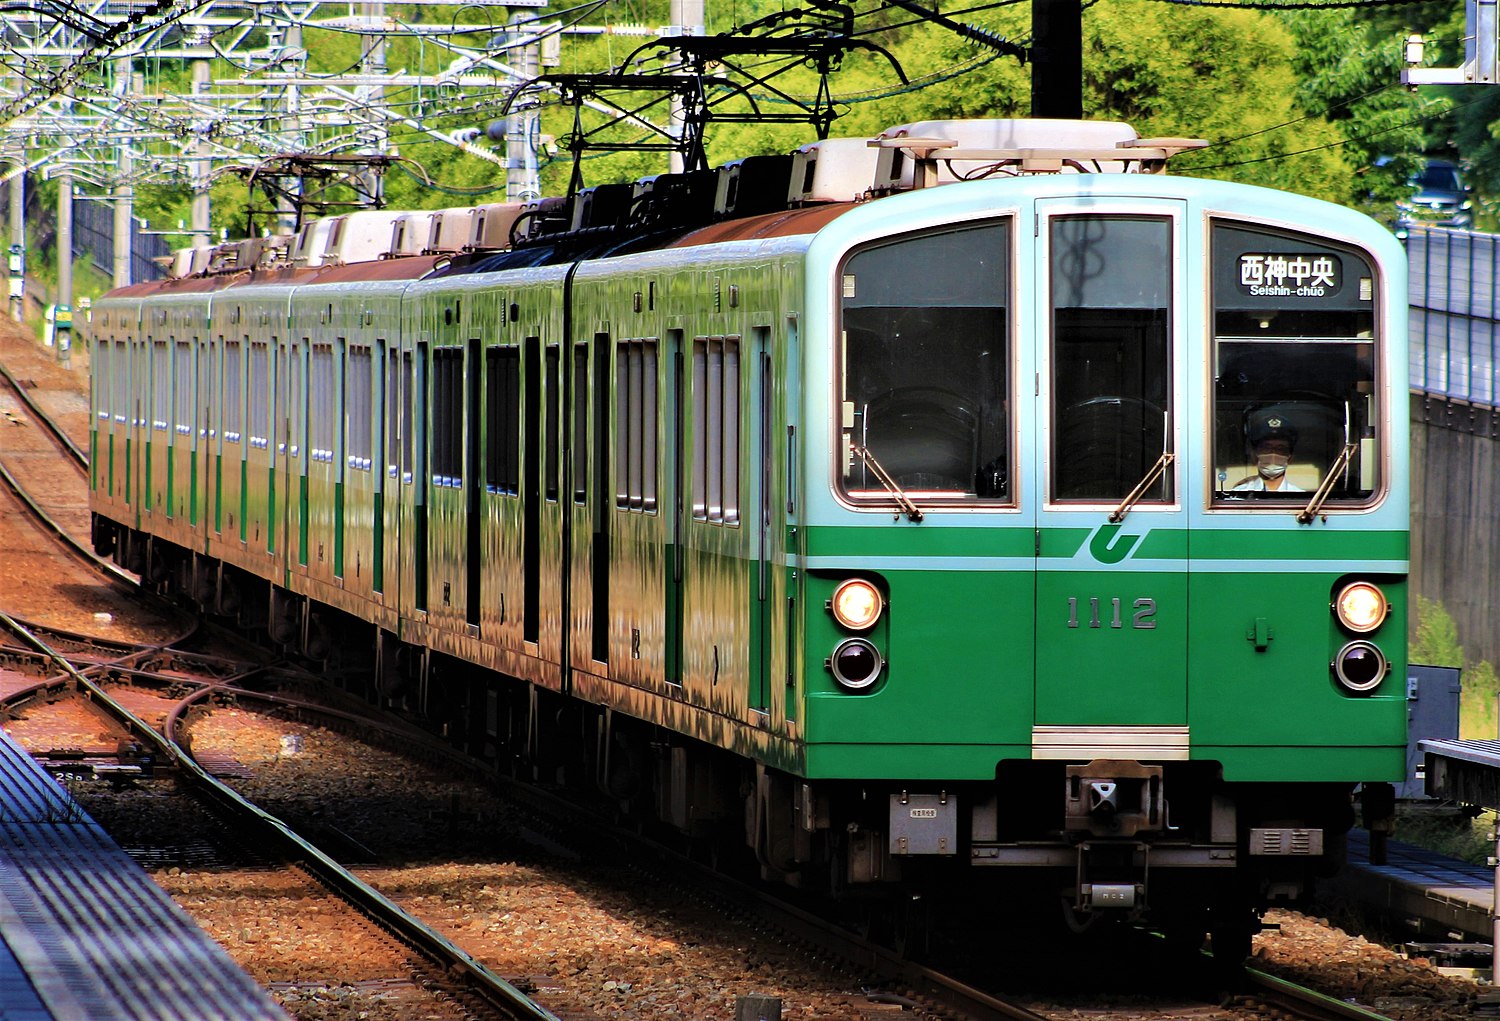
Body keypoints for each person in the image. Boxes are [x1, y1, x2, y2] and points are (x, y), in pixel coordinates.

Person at [1232, 411, 1305, 493]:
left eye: (1280, 449)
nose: (1273, 453)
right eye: (1266, 447)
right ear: (1254, 454)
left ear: (1290, 457)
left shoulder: (1300, 498)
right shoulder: (1239, 495)